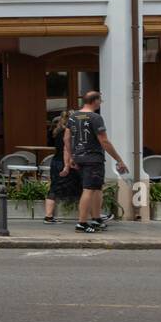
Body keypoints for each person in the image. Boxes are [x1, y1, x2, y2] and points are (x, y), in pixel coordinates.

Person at [63, 91, 129, 234]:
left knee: (97, 187)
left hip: (79, 157)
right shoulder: (95, 117)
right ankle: (82, 223)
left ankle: (96, 219)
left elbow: (66, 139)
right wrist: (119, 160)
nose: (100, 103)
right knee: (89, 189)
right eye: (100, 100)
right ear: (95, 101)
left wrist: (72, 157)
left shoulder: (73, 117)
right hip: (93, 158)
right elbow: (104, 141)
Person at [43, 111, 80, 224]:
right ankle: (94, 215)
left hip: (55, 162)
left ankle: (48, 216)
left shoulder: (57, 131)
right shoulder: (69, 132)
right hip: (65, 162)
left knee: (54, 188)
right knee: (85, 188)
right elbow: (66, 150)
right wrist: (67, 166)